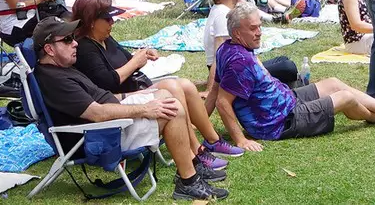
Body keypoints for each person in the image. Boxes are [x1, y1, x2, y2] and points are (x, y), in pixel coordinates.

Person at [34, 18, 232, 201]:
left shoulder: (63, 68)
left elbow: (103, 99)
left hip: (109, 119)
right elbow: (97, 113)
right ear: (50, 49)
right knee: (172, 108)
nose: (75, 42)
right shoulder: (55, 79)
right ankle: (188, 180)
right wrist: (145, 108)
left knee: (167, 92)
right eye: (68, 40)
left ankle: (193, 164)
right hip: (100, 136)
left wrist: (141, 95)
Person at [212, 3, 375, 152]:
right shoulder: (239, 61)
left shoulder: (228, 47)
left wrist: (201, 126)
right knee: (345, 98)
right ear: (237, 33)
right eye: (253, 28)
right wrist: (241, 140)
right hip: (279, 122)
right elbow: (222, 101)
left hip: (286, 101)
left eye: (259, 26)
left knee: (333, 82)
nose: (259, 33)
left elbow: (214, 89)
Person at [69, 0, 241, 159]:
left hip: (136, 89)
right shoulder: (85, 48)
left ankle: (213, 140)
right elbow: (108, 82)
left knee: (187, 85)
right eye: (107, 18)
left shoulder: (105, 38)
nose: (112, 22)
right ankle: (195, 150)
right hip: (119, 99)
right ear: (91, 21)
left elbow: (128, 59)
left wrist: (144, 55)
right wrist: (135, 62)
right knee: (172, 87)